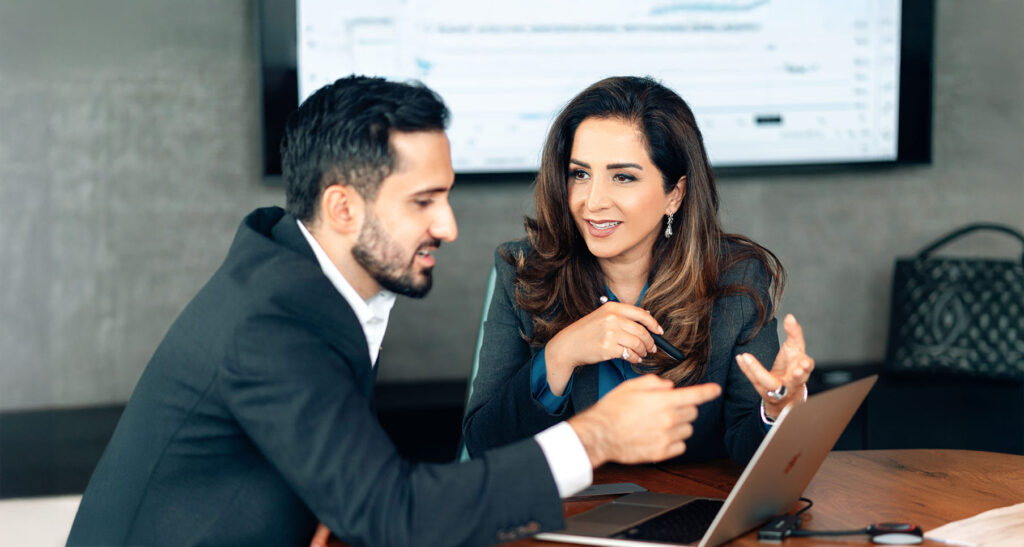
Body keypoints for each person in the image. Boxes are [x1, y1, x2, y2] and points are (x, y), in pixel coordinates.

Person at [67, 75, 724, 547]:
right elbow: (392, 513)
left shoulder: (295, 271)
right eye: (423, 202)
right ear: (342, 208)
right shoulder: (275, 320)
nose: (449, 225)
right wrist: (594, 436)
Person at [462, 76, 815, 466]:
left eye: (623, 177)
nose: (593, 201)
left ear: (674, 194)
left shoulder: (735, 277)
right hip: (566, 502)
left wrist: (774, 411)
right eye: (580, 174)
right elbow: (483, 446)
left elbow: (749, 452)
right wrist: (560, 356)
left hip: (686, 502)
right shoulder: (523, 270)